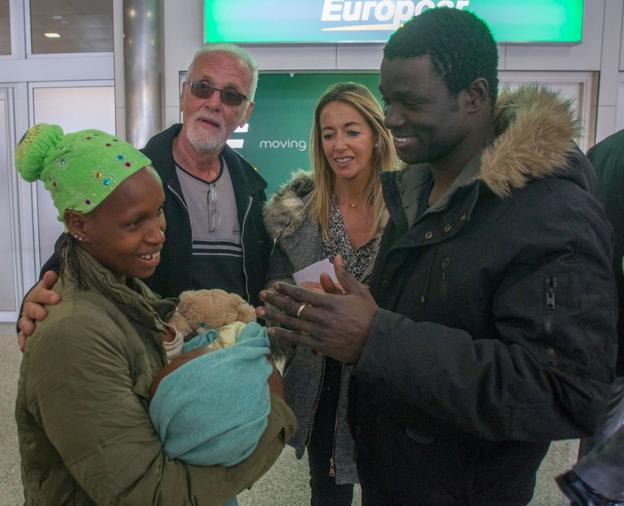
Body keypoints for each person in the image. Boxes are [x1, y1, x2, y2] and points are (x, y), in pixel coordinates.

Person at [257, 7, 617, 505]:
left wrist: (373, 337)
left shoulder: (552, 213)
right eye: (388, 100)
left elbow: (566, 392)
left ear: (474, 96)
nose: (392, 117)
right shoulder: (415, 194)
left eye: (411, 101)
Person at [14, 123, 295, 505]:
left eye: (158, 211)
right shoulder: (74, 335)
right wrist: (275, 412)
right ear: (79, 223)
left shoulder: (129, 292)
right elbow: (150, 493)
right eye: (135, 222)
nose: (158, 233)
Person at [17, 42, 271, 349]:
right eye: (203, 87)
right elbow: (78, 248)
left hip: (237, 357)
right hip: (156, 355)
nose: (214, 102)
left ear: (246, 112)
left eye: (231, 95)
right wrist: (40, 295)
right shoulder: (131, 178)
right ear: (183, 94)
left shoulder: (255, 192)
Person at [263, 82, 396, 505]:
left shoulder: (410, 211)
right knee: (327, 494)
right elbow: (274, 303)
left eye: (352, 131)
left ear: (376, 136)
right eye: (328, 133)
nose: (339, 144)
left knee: (394, 488)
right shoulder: (297, 216)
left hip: (390, 386)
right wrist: (295, 305)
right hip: (320, 387)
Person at [556, 129, 624, 505]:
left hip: (596, 323)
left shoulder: (604, 151)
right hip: (611, 323)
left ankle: (594, 484)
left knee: (599, 430)